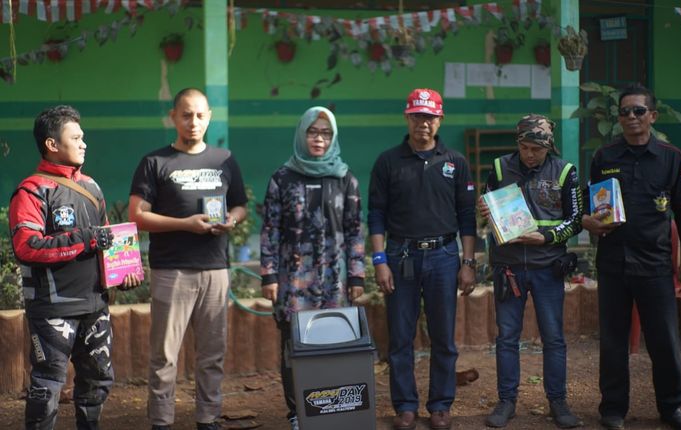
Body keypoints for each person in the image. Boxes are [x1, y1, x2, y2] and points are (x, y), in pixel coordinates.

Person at [9, 105, 141, 429]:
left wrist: (121, 273)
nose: (84, 144)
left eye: (83, 137)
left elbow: (107, 239)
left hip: (95, 305)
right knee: (47, 386)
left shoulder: (93, 188)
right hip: (52, 309)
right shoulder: (32, 191)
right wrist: (87, 239)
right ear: (52, 144)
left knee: (98, 380)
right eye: (76, 137)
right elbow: (27, 247)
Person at [128, 88, 248, 430]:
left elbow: (239, 203)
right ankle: (161, 421)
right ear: (173, 117)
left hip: (215, 270)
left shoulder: (224, 159)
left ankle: (208, 418)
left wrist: (232, 220)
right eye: (185, 115)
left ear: (209, 117)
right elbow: (138, 214)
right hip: (171, 271)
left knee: (212, 353)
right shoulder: (155, 162)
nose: (193, 122)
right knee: (165, 355)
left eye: (199, 115)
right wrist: (185, 225)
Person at [582, 84, 681, 430]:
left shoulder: (671, 157)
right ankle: (613, 409)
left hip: (655, 263)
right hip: (614, 262)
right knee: (614, 339)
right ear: (618, 119)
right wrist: (590, 221)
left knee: (663, 338)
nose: (631, 117)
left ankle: (672, 406)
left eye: (638, 111)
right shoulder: (604, 158)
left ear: (652, 115)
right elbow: (594, 204)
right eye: (624, 112)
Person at [368, 88, 476, 430]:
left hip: (444, 256)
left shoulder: (455, 161)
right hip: (401, 256)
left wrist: (468, 263)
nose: (423, 123)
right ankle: (405, 406)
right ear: (407, 117)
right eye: (417, 116)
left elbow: (467, 215)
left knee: (443, 336)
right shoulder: (388, 161)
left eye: (429, 117)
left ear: (440, 119)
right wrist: (380, 259)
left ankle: (441, 405)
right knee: (401, 336)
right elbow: (376, 214)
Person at [259, 106, 365, 430]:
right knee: (294, 348)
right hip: (294, 282)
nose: (319, 139)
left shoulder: (345, 178)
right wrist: (269, 274)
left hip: (334, 280)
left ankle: (328, 408)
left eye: (326, 133)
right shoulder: (282, 178)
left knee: (333, 343)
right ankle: (297, 413)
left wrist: (358, 274)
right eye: (313, 132)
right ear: (302, 134)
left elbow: (354, 230)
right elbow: (271, 229)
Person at [479, 114, 583, 429]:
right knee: (507, 338)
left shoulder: (565, 171)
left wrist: (546, 236)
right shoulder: (499, 168)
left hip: (547, 267)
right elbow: (487, 209)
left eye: (537, 149)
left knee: (553, 338)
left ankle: (558, 402)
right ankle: (506, 401)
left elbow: (576, 219)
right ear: (518, 144)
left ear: (548, 146)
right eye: (525, 147)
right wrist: (484, 209)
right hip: (508, 267)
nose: (530, 154)